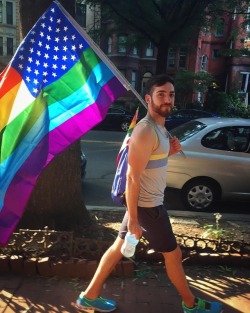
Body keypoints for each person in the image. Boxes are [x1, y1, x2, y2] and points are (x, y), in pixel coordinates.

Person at [75, 74, 223, 313]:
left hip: (144, 204)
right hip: (148, 206)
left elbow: (148, 164)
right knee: (173, 255)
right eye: (161, 94)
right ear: (148, 98)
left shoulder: (160, 128)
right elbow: (133, 177)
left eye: (171, 95)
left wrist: (168, 153)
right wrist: (134, 219)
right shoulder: (145, 131)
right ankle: (191, 304)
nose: (167, 99)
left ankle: (89, 296)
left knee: (117, 248)